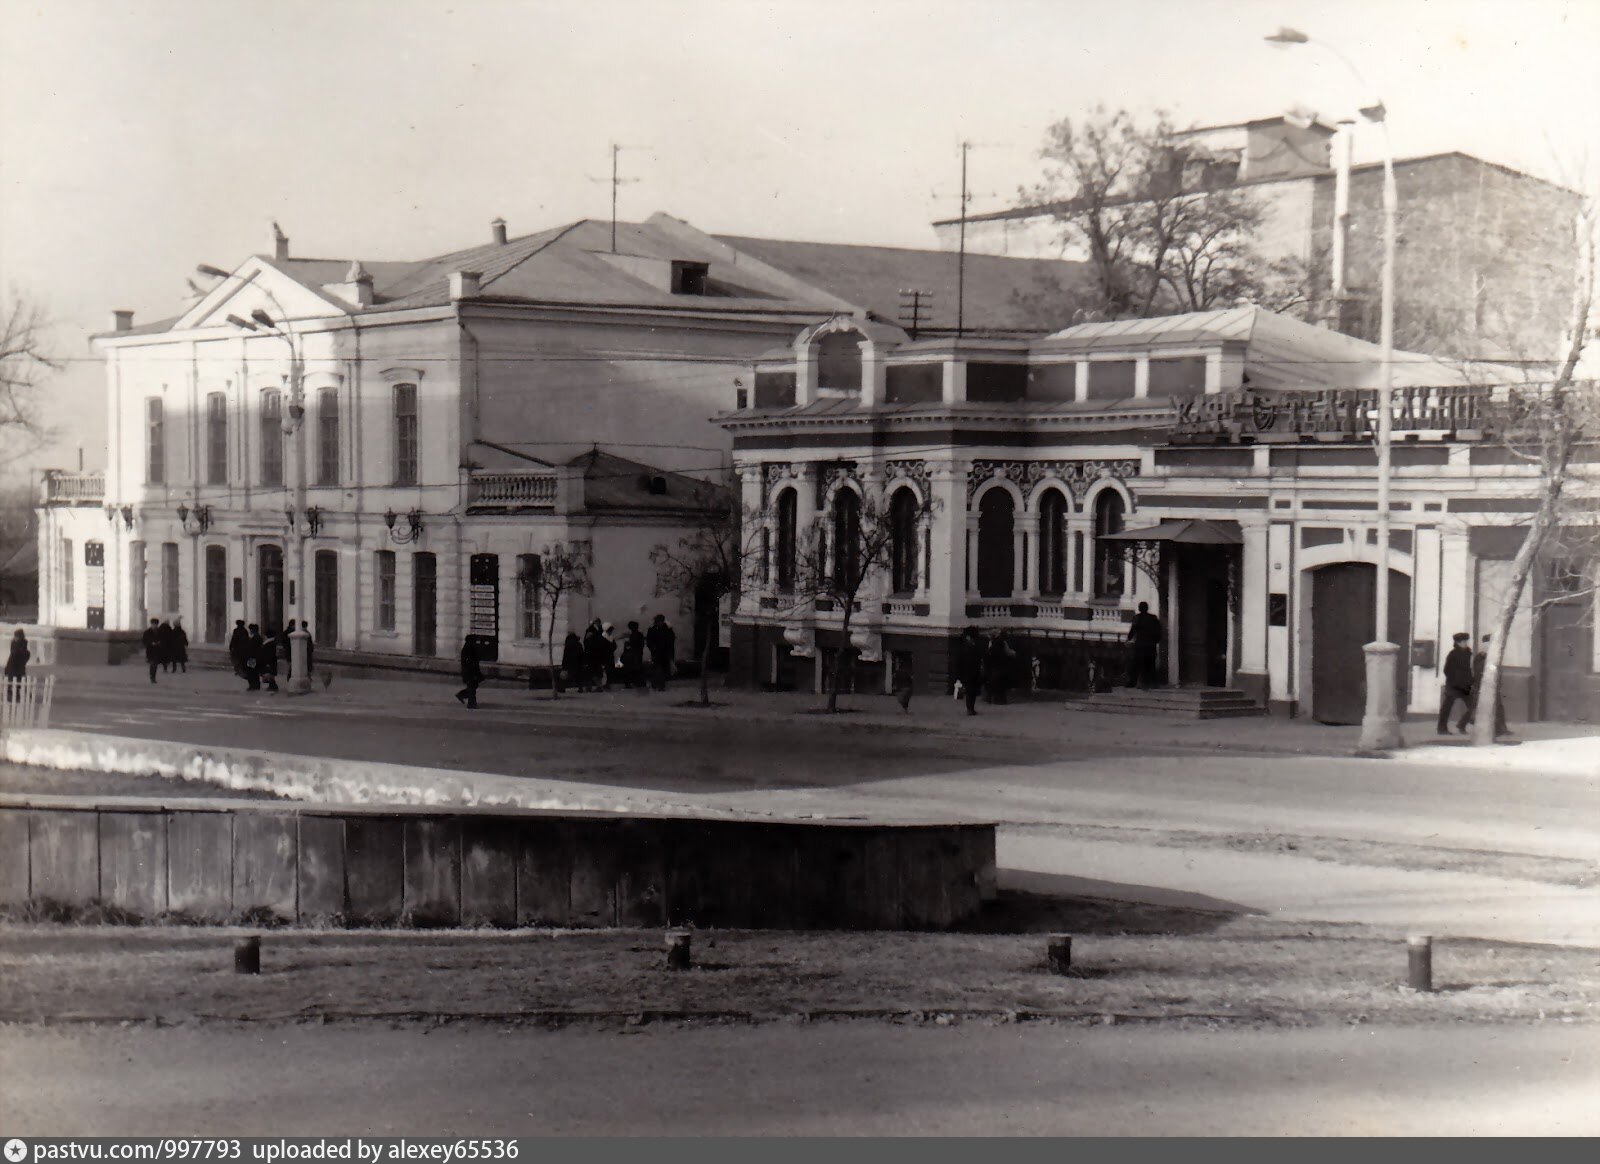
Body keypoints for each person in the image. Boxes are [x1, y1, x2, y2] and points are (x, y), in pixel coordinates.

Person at [1466, 633, 1510, 738]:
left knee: (1498, 707)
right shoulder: (1481, 657)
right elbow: (1480, 672)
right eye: (1490, 643)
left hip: (1491, 685)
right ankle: (1496, 730)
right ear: (1486, 644)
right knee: (1488, 707)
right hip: (1484, 686)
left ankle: (1501, 729)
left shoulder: (1489, 656)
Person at [1437, 631, 1474, 735]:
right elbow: (1446, 670)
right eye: (1464, 641)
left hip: (1466, 687)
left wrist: (1470, 681)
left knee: (1474, 706)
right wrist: (1455, 680)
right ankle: (1442, 729)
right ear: (1458, 642)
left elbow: (1469, 669)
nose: (1466, 643)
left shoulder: (1468, 653)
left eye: (1466, 641)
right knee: (1446, 708)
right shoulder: (1452, 654)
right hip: (1453, 686)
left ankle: (1461, 724)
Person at [1127, 601, 1163, 689]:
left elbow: (1132, 631)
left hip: (1140, 645)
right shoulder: (1153, 618)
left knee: (1137, 664)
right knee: (1151, 664)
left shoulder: (1137, 618)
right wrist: (1155, 641)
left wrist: (1128, 639)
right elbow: (1159, 631)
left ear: (1140, 608)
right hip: (1151, 645)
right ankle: (1152, 683)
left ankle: (1133, 683)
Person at [954, 627, 985, 716]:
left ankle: (970, 708)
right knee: (971, 691)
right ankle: (970, 708)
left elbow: (959, 661)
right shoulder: (973, 646)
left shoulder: (965, 646)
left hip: (968, 671)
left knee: (971, 691)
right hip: (971, 671)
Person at [646, 614, 676, 692]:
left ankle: (658, 684)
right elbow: (649, 641)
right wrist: (653, 648)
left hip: (665, 653)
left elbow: (671, 639)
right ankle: (658, 684)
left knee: (663, 669)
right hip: (657, 653)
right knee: (658, 669)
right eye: (659, 621)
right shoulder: (653, 630)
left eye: (662, 621)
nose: (661, 622)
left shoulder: (667, 629)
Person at [986, 629, 1015, 705]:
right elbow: (1008, 652)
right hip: (1002, 664)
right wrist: (1014, 653)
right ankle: (1001, 700)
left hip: (993, 665)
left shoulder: (991, 643)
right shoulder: (1003, 642)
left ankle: (991, 699)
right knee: (1001, 683)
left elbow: (988, 653)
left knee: (993, 682)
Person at [583, 618, 610, 692]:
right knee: (595, 671)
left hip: (594, 654)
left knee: (594, 671)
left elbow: (586, 641)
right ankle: (598, 686)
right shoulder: (596, 630)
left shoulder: (592, 630)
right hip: (596, 654)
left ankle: (596, 686)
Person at [456, 636, 482, 709]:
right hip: (470, 672)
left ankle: (462, 695)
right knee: (472, 688)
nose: (476, 643)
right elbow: (470, 662)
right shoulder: (468, 649)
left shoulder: (469, 648)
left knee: (473, 686)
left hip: (470, 672)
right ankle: (471, 704)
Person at [3, 628, 28, 702]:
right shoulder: (18, 645)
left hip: (14, 669)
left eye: (16, 636)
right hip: (15, 668)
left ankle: (15, 696)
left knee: (15, 683)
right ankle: (16, 696)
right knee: (16, 684)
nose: (15, 638)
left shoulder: (18, 646)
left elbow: (15, 655)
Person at [621, 621, 647, 691]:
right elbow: (641, 645)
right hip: (638, 654)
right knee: (638, 668)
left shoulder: (633, 635)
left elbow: (631, 646)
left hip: (633, 655)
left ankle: (631, 683)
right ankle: (639, 682)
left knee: (631, 669)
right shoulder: (639, 634)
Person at [242, 624, 262, 691]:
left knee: (251, 672)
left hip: (252, 658)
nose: (250, 631)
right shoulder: (256, 637)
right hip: (253, 657)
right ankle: (254, 685)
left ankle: (253, 685)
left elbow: (252, 648)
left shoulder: (256, 638)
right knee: (253, 671)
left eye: (251, 629)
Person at [142, 618, 162, 684]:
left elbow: (163, 639)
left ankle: (153, 676)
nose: (154, 626)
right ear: (151, 624)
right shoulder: (147, 632)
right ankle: (152, 677)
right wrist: (151, 643)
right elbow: (144, 641)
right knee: (152, 664)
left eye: (155, 624)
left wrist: (159, 642)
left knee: (155, 664)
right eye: (153, 624)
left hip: (157, 650)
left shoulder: (159, 631)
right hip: (150, 650)